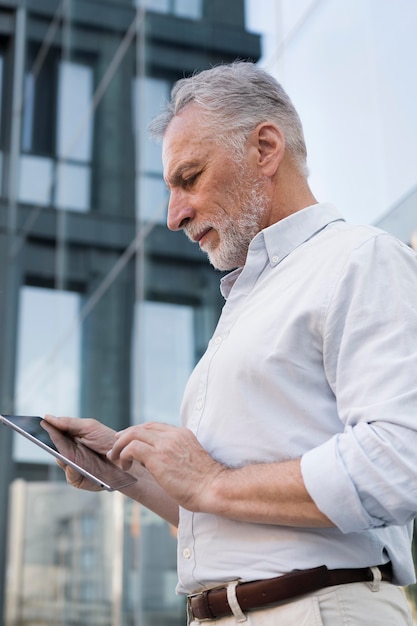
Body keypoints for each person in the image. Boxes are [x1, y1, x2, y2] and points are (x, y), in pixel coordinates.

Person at [45, 61, 417, 625]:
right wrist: (131, 475)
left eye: (188, 177)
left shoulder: (359, 258)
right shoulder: (248, 301)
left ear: (266, 148)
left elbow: (399, 462)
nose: (174, 216)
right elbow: (224, 509)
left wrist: (211, 481)